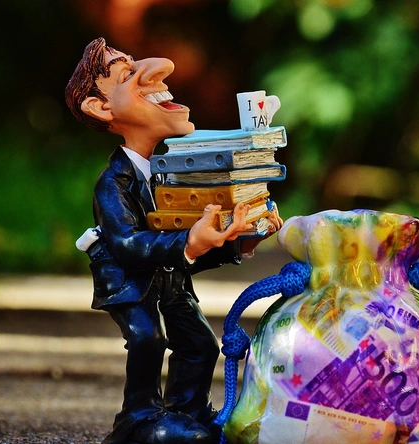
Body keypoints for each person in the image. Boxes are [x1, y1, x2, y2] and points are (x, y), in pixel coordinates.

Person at [65, 37, 283, 444]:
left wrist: (239, 241)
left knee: (200, 342)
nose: (158, 69)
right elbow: (128, 245)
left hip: (169, 278)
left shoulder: (172, 174)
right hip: (129, 280)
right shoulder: (113, 184)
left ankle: (187, 411)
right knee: (148, 337)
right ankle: (139, 418)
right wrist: (187, 243)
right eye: (127, 74)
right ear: (101, 107)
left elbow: (189, 245)